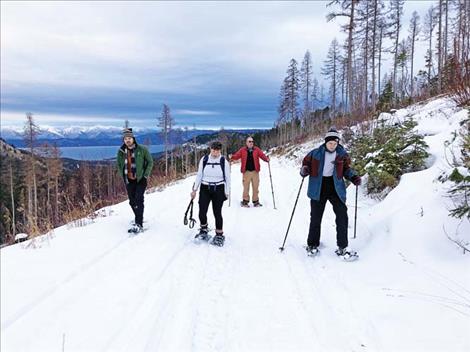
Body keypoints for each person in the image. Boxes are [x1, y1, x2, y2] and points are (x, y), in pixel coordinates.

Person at [300, 128, 361, 258]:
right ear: (325, 142)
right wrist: (304, 170)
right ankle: (312, 244)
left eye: (335, 143)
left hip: (336, 188)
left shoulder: (342, 154)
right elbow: (305, 164)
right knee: (316, 217)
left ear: (338, 143)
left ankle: (343, 247)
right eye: (330, 143)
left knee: (342, 216)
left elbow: (346, 169)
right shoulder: (315, 153)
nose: (332, 146)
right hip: (318, 188)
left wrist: (353, 177)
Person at [191, 141, 231, 246]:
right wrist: (194, 190)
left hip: (219, 188)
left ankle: (219, 234)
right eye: (213, 150)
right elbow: (199, 175)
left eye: (217, 150)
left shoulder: (223, 161)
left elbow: (228, 178)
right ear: (210, 149)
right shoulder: (204, 160)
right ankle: (203, 230)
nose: (215, 152)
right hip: (205, 188)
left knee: (217, 212)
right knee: (202, 211)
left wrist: (227, 191)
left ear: (220, 150)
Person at [117, 127, 154, 233]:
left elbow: (150, 162)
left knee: (139, 199)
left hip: (140, 179)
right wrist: (123, 177)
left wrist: (145, 175)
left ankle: (139, 223)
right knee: (132, 201)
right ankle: (138, 216)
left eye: (129, 138)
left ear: (133, 138)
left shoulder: (142, 149)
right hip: (128, 180)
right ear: (123, 140)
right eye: (125, 139)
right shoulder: (121, 151)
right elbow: (119, 165)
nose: (127, 140)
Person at [230, 136, 270, 207]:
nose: (251, 143)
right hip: (246, 172)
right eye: (249, 141)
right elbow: (237, 156)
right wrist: (232, 157)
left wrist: (266, 159)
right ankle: (245, 201)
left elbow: (262, 155)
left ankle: (256, 201)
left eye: (252, 141)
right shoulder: (242, 150)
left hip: (255, 172)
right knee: (246, 187)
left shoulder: (257, 149)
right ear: (246, 143)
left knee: (256, 187)